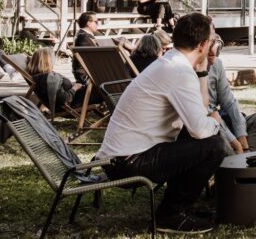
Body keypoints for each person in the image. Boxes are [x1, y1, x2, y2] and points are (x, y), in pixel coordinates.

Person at [96, 13, 226, 234]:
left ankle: (177, 209)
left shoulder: (172, 63)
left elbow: (199, 113)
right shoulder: (179, 71)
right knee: (213, 145)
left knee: (197, 135)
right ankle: (171, 214)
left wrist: (202, 70)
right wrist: (215, 121)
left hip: (123, 157)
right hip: (128, 162)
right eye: (212, 40)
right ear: (203, 44)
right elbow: (201, 128)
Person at [206, 35, 256, 154]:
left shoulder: (217, 64)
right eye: (210, 55)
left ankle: (245, 159)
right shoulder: (189, 70)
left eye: (216, 54)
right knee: (220, 138)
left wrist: (242, 139)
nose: (213, 58)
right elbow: (209, 113)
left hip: (221, 119)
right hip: (209, 125)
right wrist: (235, 143)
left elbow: (230, 102)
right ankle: (236, 162)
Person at [27, 47, 92, 112]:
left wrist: (74, 84)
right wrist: (75, 87)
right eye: (52, 59)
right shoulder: (47, 79)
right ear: (47, 61)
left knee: (99, 85)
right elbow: (64, 99)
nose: (53, 61)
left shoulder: (43, 77)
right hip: (77, 102)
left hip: (80, 96)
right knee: (100, 87)